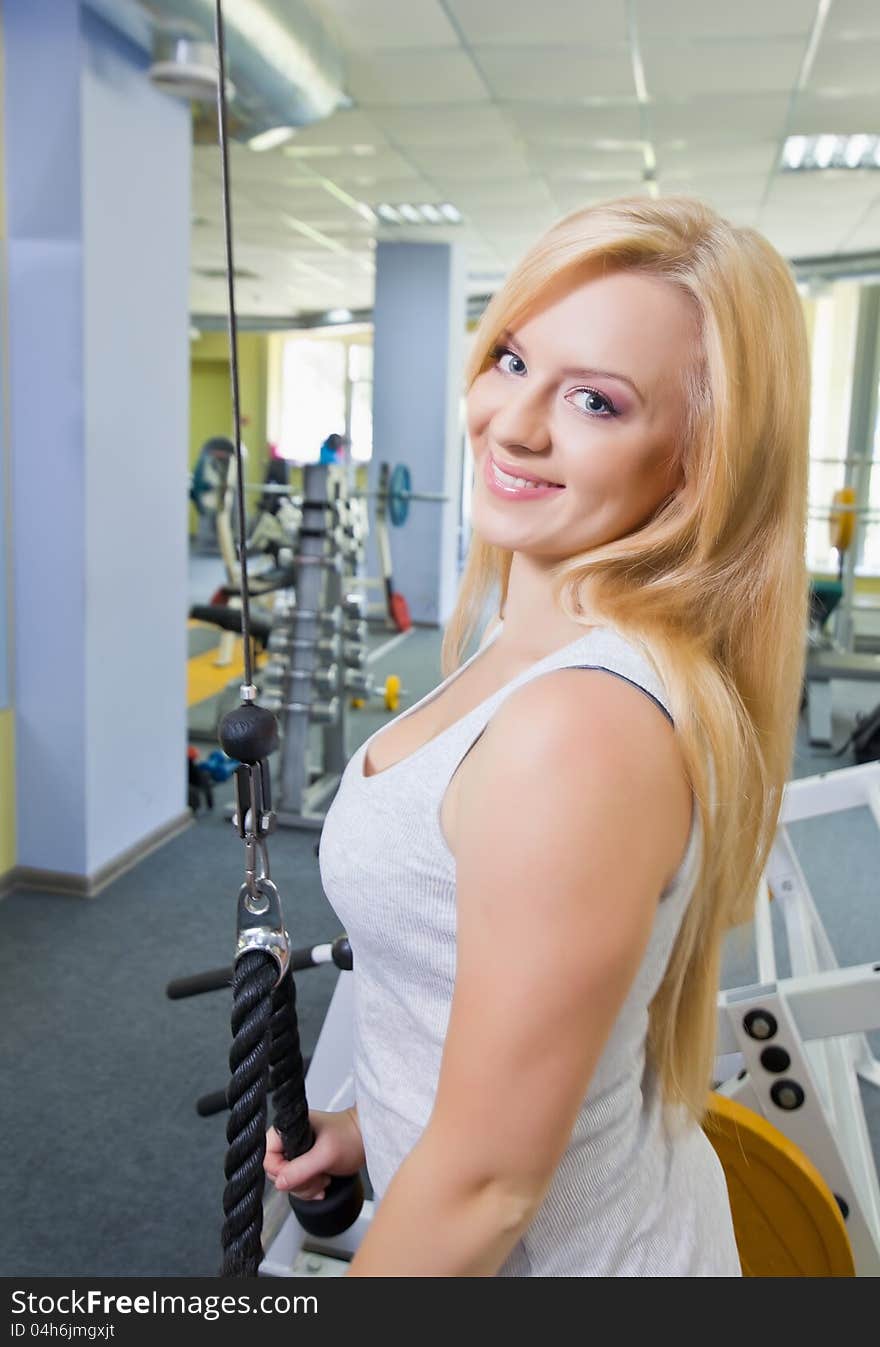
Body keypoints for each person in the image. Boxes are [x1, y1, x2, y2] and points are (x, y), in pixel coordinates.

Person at [264, 196, 809, 1275]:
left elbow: (485, 1188)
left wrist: (442, 1162)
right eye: (512, 360)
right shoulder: (532, 646)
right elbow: (533, 1027)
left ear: (694, 461)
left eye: (597, 402)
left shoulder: (581, 727)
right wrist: (377, 1126)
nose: (513, 424)